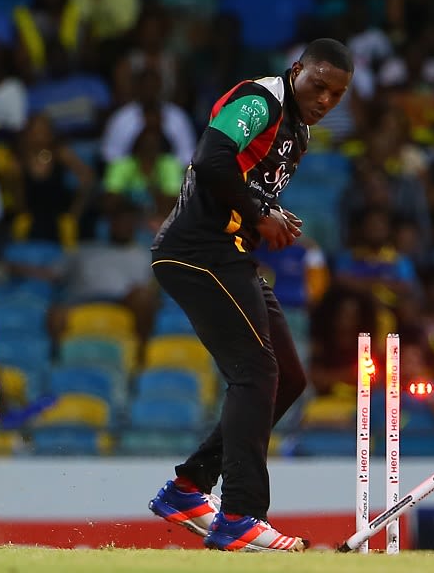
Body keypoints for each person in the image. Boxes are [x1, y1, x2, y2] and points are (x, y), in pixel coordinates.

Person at [147, 38, 353, 552]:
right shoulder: (262, 100)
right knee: (256, 372)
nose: (325, 99)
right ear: (297, 69)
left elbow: (241, 183)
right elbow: (211, 159)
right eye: (319, 84)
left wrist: (268, 211)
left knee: (287, 376)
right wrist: (262, 214)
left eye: (337, 94)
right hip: (198, 250)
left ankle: (189, 487)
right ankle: (240, 516)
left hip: (230, 255)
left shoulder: (298, 131)